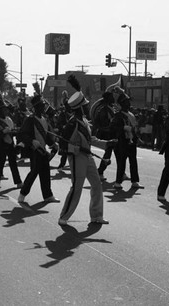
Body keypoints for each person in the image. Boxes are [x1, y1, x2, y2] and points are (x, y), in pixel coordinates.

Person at [58, 75, 110, 225]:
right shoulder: (72, 123)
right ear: (80, 107)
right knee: (77, 187)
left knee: (96, 184)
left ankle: (96, 216)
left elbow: (90, 140)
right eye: (86, 105)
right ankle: (64, 216)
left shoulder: (85, 122)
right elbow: (62, 144)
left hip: (87, 158)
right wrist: (76, 149)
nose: (88, 106)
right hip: (77, 158)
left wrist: (107, 144)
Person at [17, 84, 60, 204]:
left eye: (43, 106)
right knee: (34, 172)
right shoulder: (30, 119)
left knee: (45, 172)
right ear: (36, 108)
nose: (43, 107)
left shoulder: (44, 119)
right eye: (41, 106)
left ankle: (48, 195)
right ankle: (23, 193)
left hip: (43, 149)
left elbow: (46, 135)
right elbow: (22, 134)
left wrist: (53, 144)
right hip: (35, 150)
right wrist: (31, 141)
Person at [111, 92, 144, 190]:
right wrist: (123, 128)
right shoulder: (118, 115)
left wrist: (137, 138)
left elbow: (134, 129)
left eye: (128, 102)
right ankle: (118, 182)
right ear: (121, 104)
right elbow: (113, 127)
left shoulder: (131, 115)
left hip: (131, 141)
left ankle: (134, 181)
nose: (128, 104)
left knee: (133, 161)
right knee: (122, 162)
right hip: (122, 141)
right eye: (126, 102)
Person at [0, 98, 22, 188]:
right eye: (4, 109)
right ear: (0, 111)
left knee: (13, 164)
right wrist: (3, 131)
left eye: (6, 109)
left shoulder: (9, 120)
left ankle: (18, 182)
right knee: (0, 165)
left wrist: (15, 131)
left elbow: (13, 131)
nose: (6, 111)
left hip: (10, 144)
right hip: (1, 145)